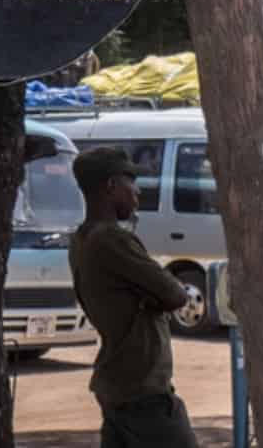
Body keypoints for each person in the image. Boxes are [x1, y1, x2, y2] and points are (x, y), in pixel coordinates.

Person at [68, 147, 200, 446]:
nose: (137, 192)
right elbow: (176, 295)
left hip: (117, 384)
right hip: (143, 390)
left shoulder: (81, 239)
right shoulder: (113, 239)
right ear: (111, 187)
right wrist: (154, 296)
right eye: (131, 183)